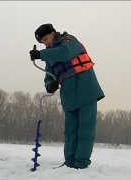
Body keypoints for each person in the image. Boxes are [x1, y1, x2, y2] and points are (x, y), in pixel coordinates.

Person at [29, 23, 105, 169]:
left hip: (86, 90)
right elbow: (48, 77)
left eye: (45, 39)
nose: (45, 43)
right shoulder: (49, 55)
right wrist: (49, 85)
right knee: (70, 132)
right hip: (69, 96)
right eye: (42, 42)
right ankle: (69, 163)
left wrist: (40, 54)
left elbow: (65, 53)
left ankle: (81, 164)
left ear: (52, 33)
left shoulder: (69, 41)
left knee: (85, 130)